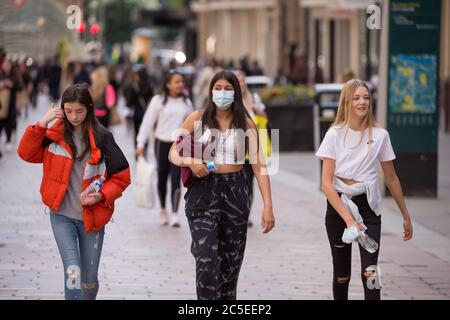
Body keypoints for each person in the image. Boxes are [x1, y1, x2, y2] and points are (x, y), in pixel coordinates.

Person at [17, 83, 131, 300]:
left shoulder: (103, 137)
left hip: (92, 217)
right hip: (61, 216)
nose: (74, 117)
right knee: (72, 270)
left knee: (88, 281)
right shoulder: (53, 134)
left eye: (79, 111)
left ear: (88, 108)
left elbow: (122, 177)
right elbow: (26, 153)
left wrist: (100, 195)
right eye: (68, 111)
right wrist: (42, 122)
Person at [169, 70, 275, 300]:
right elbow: (173, 153)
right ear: (210, 91)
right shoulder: (197, 118)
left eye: (228, 89)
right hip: (202, 192)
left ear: (236, 92)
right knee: (206, 263)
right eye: (218, 88)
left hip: (235, 192)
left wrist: (268, 206)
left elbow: (259, 166)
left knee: (229, 269)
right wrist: (191, 161)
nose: (222, 93)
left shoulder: (246, 123)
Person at [315, 79, 413, 300]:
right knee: (342, 274)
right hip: (339, 206)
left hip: (368, 206)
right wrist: (349, 220)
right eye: (357, 98)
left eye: (366, 97)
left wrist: (406, 216)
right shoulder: (334, 134)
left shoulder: (380, 136)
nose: (362, 102)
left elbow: (392, 178)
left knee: (371, 271)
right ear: (347, 102)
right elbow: (326, 184)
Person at [136, 71, 193, 227]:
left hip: (180, 144)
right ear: (168, 84)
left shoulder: (186, 103)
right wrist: (140, 143)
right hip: (162, 143)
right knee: (162, 177)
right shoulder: (158, 101)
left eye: (181, 81)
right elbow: (147, 122)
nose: (180, 84)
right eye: (176, 81)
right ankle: (163, 209)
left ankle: (175, 213)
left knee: (176, 178)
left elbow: (193, 126)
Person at [235, 70, 269, 227]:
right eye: (238, 81)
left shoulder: (254, 98)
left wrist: (258, 111)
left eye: (243, 81)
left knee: (249, 184)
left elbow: (265, 120)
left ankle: (245, 214)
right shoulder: (231, 101)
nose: (241, 84)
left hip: (252, 150)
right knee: (236, 183)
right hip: (236, 150)